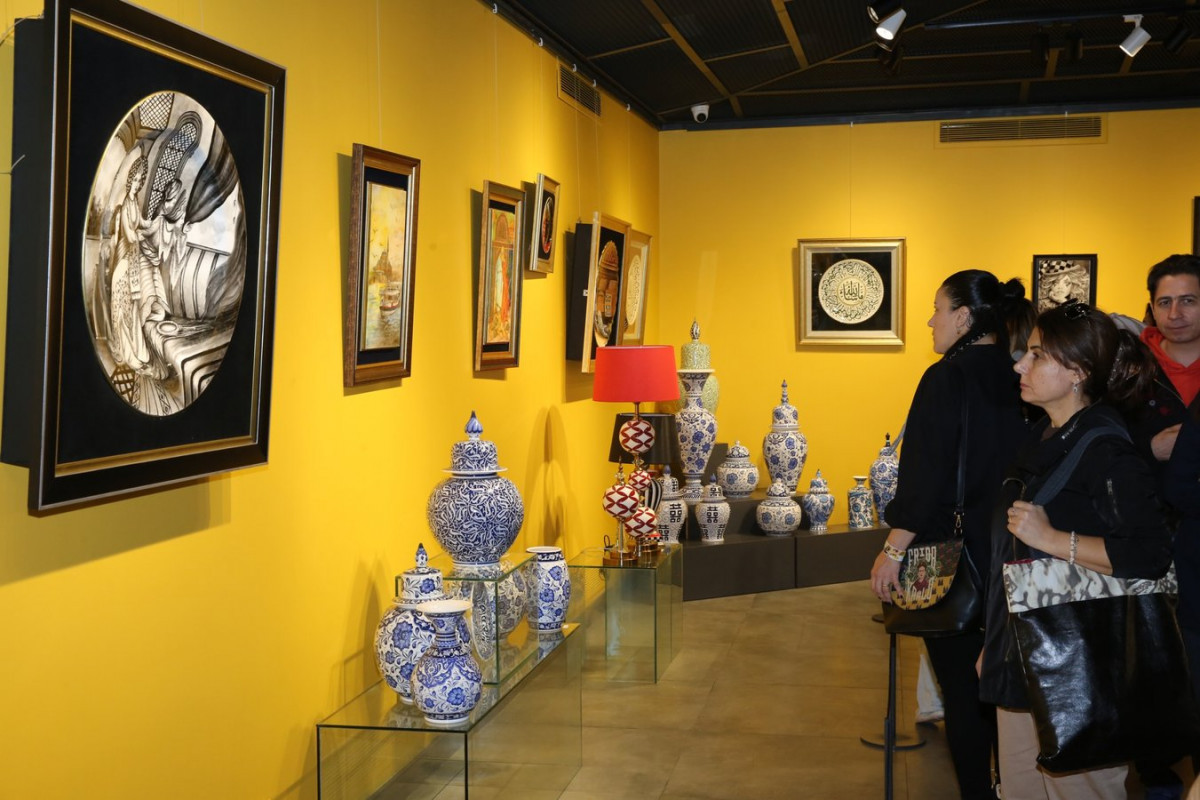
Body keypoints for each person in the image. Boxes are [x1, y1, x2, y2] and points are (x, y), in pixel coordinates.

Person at [979, 302, 1173, 799]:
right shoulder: (1044, 437)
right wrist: (998, 645)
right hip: (1028, 652)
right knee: (1019, 786)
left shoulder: (1105, 449)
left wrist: (1053, 540)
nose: (1020, 365)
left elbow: (1150, 553)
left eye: (1037, 355)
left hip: (1081, 671)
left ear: (1078, 373)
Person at [871, 270, 1032, 799]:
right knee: (1007, 694)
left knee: (964, 696)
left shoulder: (945, 378)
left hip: (954, 558)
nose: (930, 321)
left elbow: (924, 476)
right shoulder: (1022, 373)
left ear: (963, 318)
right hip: (1016, 552)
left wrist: (892, 549)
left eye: (937, 309)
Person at [1129, 254, 1200, 486]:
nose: (1174, 314)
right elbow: (1101, 448)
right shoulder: (1129, 370)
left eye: (1187, 301)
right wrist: (1149, 448)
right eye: (1165, 303)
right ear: (1152, 308)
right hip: (1147, 503)